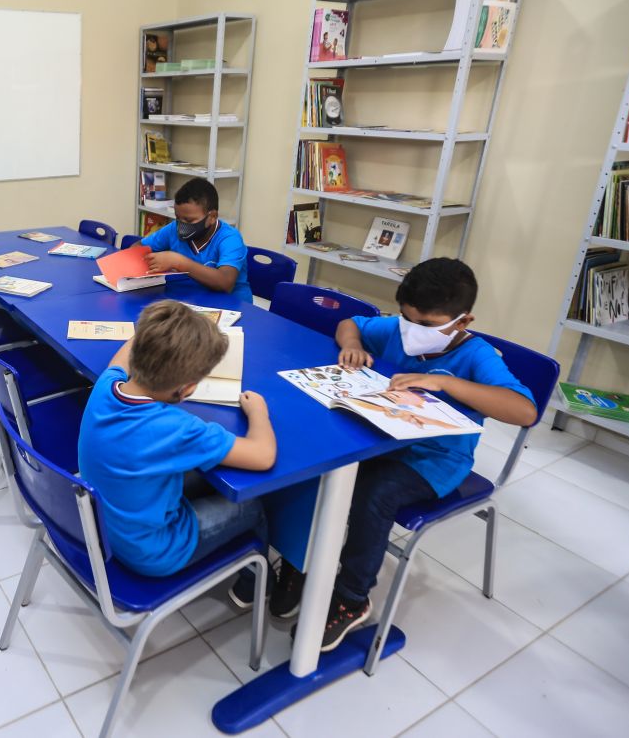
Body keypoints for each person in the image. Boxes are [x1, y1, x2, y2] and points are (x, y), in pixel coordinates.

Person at [272, 257, 536, 652]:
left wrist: (446, 383)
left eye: (427, 326)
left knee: (373, 494)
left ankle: (352, 596)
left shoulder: (476, 356)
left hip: (433, 459)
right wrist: (354, 346)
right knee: (317, 469)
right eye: (407, 318)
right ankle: (299, 563)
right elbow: (352, 324)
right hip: (378, 435)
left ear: (462, 322)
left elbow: (524, 410)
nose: (413, 331)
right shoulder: (399, 329)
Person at [78, 300, 277, 606]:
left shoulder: (107, 386)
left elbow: (124, 354)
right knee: (254, 506)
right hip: (153, 551)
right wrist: (258, 412)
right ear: (186, 389)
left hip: (106, 527)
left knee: (195, 476)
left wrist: (157, 331)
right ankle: (254, 587)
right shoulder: (179, 429)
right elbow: (263, 456)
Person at [138, 178, 252, 301]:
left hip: (232, 307)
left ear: (212, 216)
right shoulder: (173, 229)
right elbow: (139, 246)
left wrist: (178, 262)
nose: (181, 225)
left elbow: (225, 282)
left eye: (189, 220)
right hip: (191, 299)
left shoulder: (230, 238)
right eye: (178, 218)